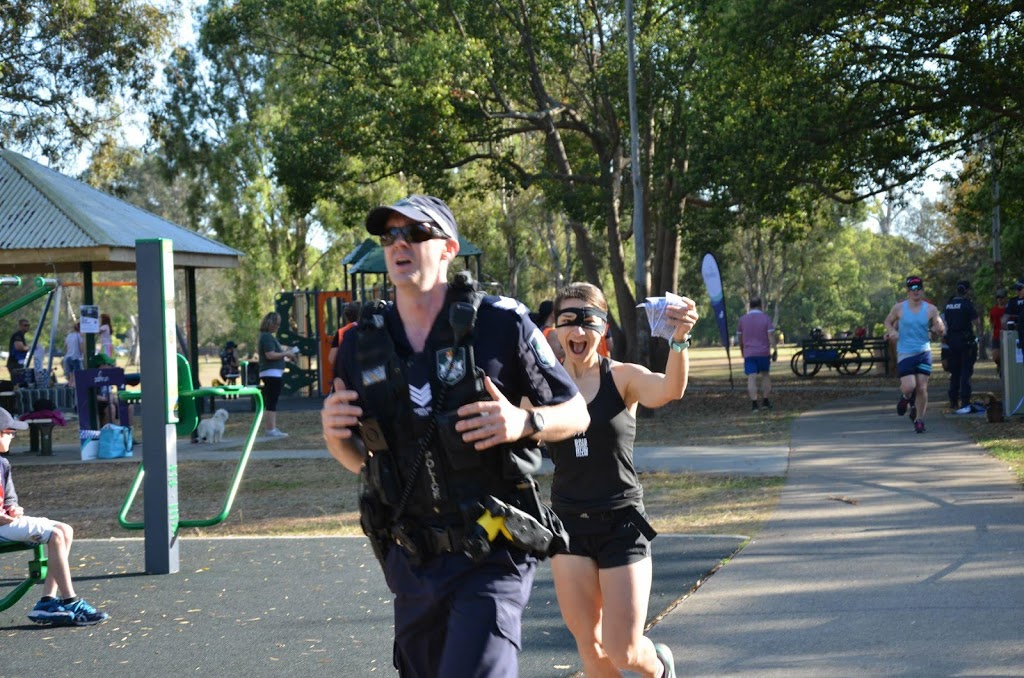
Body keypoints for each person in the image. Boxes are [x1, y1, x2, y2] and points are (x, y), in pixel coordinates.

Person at [321, 194, 590, 677]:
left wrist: (524, 423)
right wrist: (334, 435)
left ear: (447, 248)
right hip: (413, 560)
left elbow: (576, 411)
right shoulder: (362, 343)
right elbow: (362, 459)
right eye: (390, 236)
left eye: (416, 234)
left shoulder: (500, 322)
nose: (400, 244)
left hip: (492, 550)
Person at [546, 282, 697, 678]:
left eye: (588, 321)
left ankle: (659, 666)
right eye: (568, 321)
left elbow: (670, 390)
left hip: (622, 523)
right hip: (567, 527)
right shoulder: (542, 386)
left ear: (604, 327)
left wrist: (679, 340)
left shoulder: (623, 378)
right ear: (555, 329)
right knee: (591, 648)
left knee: (623, 649)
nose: (578, 332)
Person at [0, 407, 110, 626]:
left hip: (4, 524)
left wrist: (14, 509)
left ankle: (47, 601)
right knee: (55, 535)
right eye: (9, 432)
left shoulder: (3, 464)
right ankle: (71, 600)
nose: (13, 436)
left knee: (65, 530)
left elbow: (10, 501)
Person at [883, 275, 946, 434]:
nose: (915, 291)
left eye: (918, 287)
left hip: (923, 352)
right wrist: (891, 331)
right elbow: (888, 321)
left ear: (922, 289)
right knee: (909, 387)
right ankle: (905, 398)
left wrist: (938, 329)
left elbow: (939, 325)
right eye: (912, 288)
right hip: (905, 352)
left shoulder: (930, 309)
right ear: (907, 290)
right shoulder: (899, 308)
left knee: (922, 388)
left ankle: (919, 420)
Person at [943, 280, 982, 413]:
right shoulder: (967, 304)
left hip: (952, 341)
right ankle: (965, 401)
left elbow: (945, 325)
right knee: (965, 372)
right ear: (967, 291)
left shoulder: (949, 305)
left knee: (955, 372)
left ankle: (953, 400)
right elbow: (976, 322)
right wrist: (978, 335)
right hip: (965, 342)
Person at [257, 312, 297, 438]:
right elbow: (270, 355)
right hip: (271, 373)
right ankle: (270, 429)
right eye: (276, 324)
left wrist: (286, 354)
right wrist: (286, 354)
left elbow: (274, 355)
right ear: (270, 323)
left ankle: (271, 428)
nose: (278, 327)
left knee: (272, 401)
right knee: (271, 401)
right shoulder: (267, 337)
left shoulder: (267, 337)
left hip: (272, 372)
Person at [737, 296, 776, 411]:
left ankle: (754, 403)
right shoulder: (766, 318)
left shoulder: (743, 319)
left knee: (751, 377)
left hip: (749, 352)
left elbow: (740, 338)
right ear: (761, 305)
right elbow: (771, 336)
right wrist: (775, 349)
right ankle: (765, 400)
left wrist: (742, 350)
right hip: (763, 352)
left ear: (750, 306)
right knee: (765, 375)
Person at [327, 302, 361, 367]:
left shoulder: (341, 332)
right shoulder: (367, 329)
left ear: (346, 317)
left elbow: (331, 359)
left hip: (347, 372)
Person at [989, 288, 1007, 377]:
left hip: (1007, 336)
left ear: (1005, 298)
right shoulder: (993, 310)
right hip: (996, 336)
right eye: (998, 297)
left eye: (1002, 297)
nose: (1000, 299)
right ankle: (1000, 366)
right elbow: (991, 323)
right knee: (995, 357)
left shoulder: (1009, 309)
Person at [7, 317, 30, 383]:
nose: (27, 327)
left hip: (18, 363)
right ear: (20, 326)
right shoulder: (18, 335)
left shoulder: (21, 336)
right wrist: (30, 348)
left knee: (20, 382)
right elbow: (19, 347)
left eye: (28, 325)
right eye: (25, 325)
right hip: (14, 363)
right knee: (17, 382)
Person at [62, 322, 85, 388]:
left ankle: (70, 390)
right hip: (76, 358)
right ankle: (75, 394)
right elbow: (81, 349)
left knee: (70, 378)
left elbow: (65, 347)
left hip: (67, 358)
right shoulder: (79, 337)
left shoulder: (69, 336)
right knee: (76, 379)